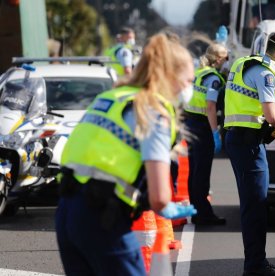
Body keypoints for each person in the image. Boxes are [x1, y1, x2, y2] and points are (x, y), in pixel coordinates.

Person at [55, 33, 197, 275]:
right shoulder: (153, 111)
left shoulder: (110, 97)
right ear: (171, 78)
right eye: (189, 81)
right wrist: (167, 208)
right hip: (102, 217)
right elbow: (160, 197)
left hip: (66, 211)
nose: (190, 88)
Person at [224, 32, 275, 276]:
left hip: (241, 140)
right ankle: (255, 267)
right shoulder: (267, 74)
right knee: (256, 207)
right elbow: (271, 115)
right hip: (248, 144)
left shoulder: (244, 63)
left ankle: (256, 264)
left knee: (253, 205)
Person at [184, 43, 228, 225]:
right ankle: (203, 214)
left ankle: (196, 210)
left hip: (189, 122)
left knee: (195, 170)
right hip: (202, 126)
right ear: (218, 59)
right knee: (202, 172)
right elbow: (210, 107)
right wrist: (215, 132)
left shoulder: (198, 72)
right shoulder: (213, 79)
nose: (227, 61)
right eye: (226, 58)